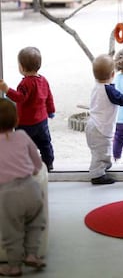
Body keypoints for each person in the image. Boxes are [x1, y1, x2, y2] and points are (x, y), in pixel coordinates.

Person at [0, 98, 47, 276]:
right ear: (17, 120)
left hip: (8, 195)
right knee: (36, 223)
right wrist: (35, 169)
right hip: (31, 189)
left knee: (12, 231)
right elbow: (36, 157)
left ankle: (14, 266)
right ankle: (33, 255)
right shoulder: (22, 135)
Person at [86, 54, 123, 185]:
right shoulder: (109, 89)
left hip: (92, 124)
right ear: (112, 74)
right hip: (100, 127)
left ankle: (102, 168)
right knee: (101, 152)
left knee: (99, 151)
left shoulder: (96, 86)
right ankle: (97, 175)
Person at [0, 46, 55, 172]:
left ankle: (25, 165)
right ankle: (49, 162)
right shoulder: (43, 80)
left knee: (23, 145)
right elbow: (49, 97)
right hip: (42, 121)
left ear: (22, 67)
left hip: (26, 122)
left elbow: (20, 98)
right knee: (45, 143)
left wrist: (6, 89)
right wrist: (51, 111)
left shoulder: (25, 84)